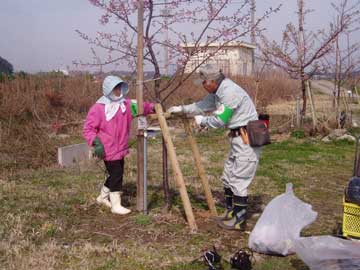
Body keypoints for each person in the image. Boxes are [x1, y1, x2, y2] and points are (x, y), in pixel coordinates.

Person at [167, 64, 261, 230]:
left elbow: (219, 120)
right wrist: (181, 109)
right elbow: (201, 106)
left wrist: (202, 121)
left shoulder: (229, 92)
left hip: (247, 138)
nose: (203, 86)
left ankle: (239, 222)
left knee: (239, 180)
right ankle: (231, 212)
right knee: (227, 177)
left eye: (203, 83)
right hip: (237, 139)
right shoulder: (218, 92)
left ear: (211, 81)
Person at [83, 75, 154, 215]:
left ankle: (102, 198)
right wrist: (95, 142)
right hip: (107, 148)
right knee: (117, 174)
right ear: (108, 89)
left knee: (114, 173)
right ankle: (116, 205)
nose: (118, 91)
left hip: (121, 148)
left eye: (119, 87)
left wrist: (153, 108)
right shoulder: (99, 108)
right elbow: (88, 128)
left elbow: (142, 107)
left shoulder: (126, 105)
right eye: (115, 88)